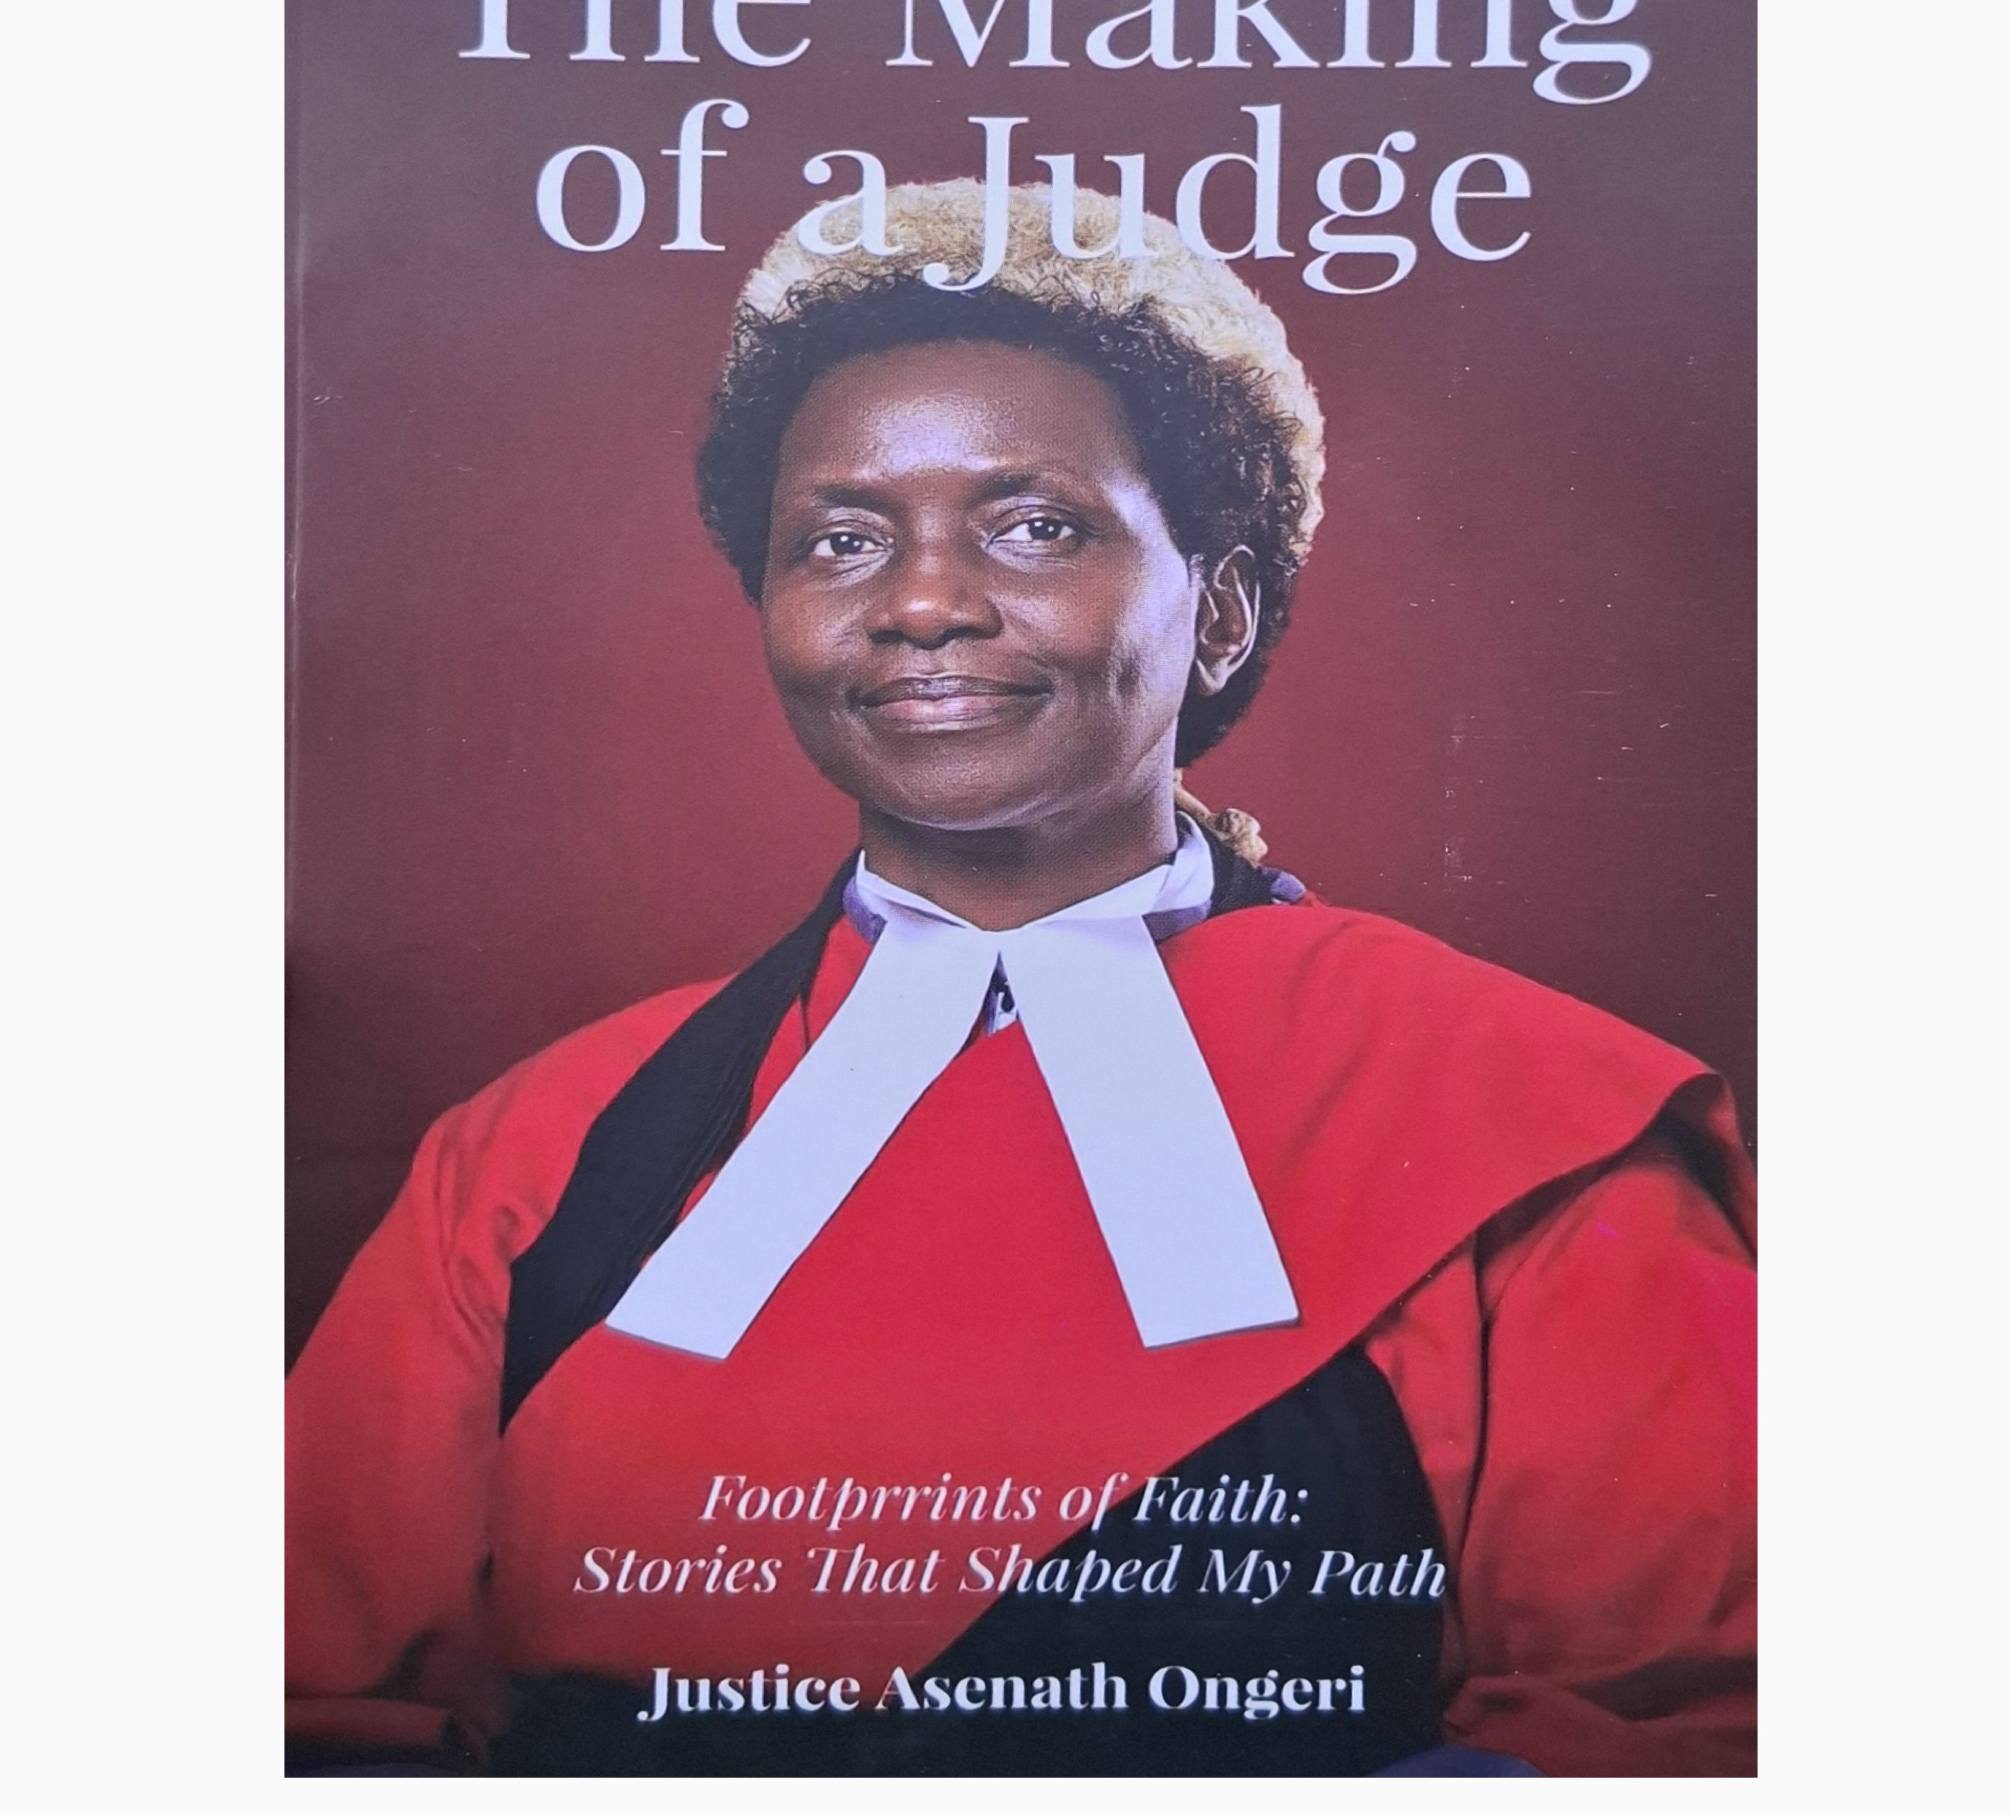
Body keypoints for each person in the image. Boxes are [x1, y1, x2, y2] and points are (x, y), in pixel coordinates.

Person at [285, 181, 1756, 1778]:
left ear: (1221, 611)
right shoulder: (525, 1155)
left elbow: (1686, 1737)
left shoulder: (1541, 1128)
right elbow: (319, 1719)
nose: (923, 604)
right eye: (842, 541)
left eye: (1035, 525)